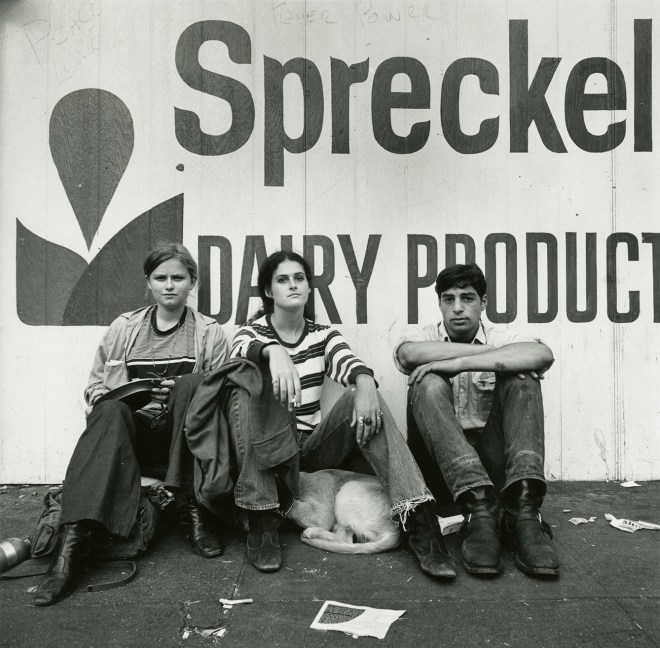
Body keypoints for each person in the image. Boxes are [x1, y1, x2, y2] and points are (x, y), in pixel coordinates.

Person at [227, 250, 457, 578]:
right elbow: (237, 356)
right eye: (282, 280)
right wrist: (272, 350)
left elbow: (348, 362)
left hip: (310, 450)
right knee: (251, 379)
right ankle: (263, 522)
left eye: (299, 279)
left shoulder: (322, 335)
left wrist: (364, 382)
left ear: (308, 289)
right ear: (268, 291)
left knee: (363, 395)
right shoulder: (251, 332)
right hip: (270, 451)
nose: (292, 285)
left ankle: (419, 518)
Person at [33, 243, 230, 606]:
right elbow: (93, 388)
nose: (169, 285)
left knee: (193, 385)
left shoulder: (208, 332)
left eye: (178, 278)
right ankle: (71, 551)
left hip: (184, 439)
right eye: (161, 278)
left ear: (192, 283)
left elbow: (223, 396)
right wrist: (121, 396)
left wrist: (187, 391)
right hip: (133, 442)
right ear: (148, 283)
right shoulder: (124, 328)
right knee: (109, 412)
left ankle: (193, 510)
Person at [394, 263, 560, 577]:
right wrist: (499, 356)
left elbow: (542, 356)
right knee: (426, 383)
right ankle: (478, 512)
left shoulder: (503, 333)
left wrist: (459, 363)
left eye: (467, 298)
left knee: (523, 379)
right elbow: (408, 356)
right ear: (440, 303)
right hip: (438, 473)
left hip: (493, 472)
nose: (457, 308)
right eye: (448, 299)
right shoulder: (423, 334)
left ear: (483, 303)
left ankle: (524, 515)